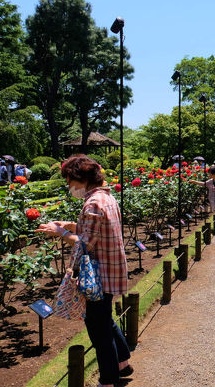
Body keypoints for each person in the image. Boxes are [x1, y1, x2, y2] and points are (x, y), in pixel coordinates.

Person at [35, 155, 132, 387]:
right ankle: (123, 363)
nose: (69, 186)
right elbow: (99, 229)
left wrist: (61, 233)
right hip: (110, 269)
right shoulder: (106, 196)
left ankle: (108, 380)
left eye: (69, 180)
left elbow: (86, 243)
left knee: (98, 330)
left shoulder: (93, 203)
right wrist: (70, 225)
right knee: (103, 320)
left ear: (79, 177)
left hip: (99, 274)